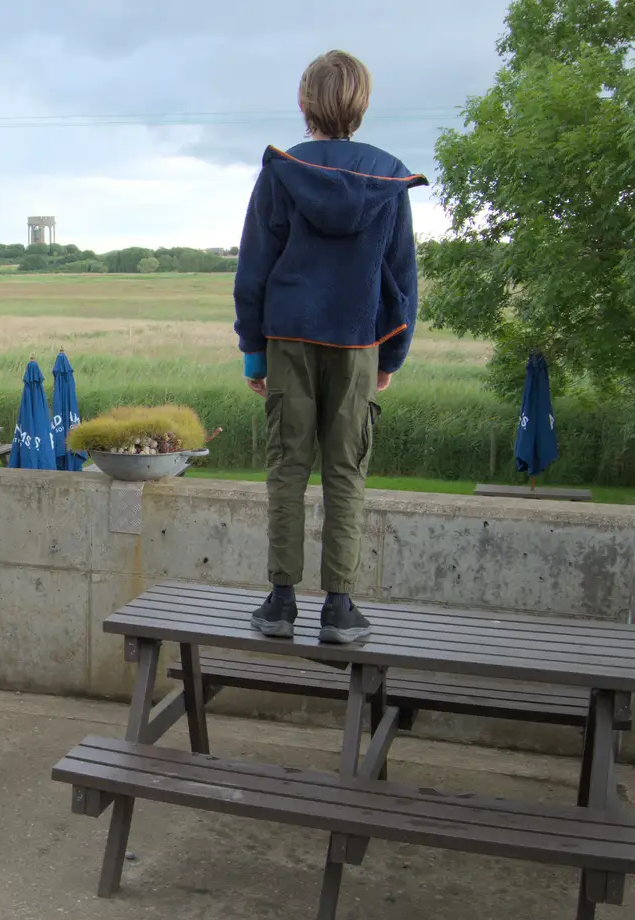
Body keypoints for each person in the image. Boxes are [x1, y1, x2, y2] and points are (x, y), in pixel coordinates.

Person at [232, 49, 427, 643]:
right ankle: (339, 608)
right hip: (357, 341)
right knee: (347, 470)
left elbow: (254, 270)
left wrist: (253, 354)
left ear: (304, 103)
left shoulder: (281, 170)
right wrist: (389, 357)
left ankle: (281, 603)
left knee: (286, 469)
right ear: (361, 105)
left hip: (289, 340)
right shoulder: (388, 177)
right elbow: (402, 278)